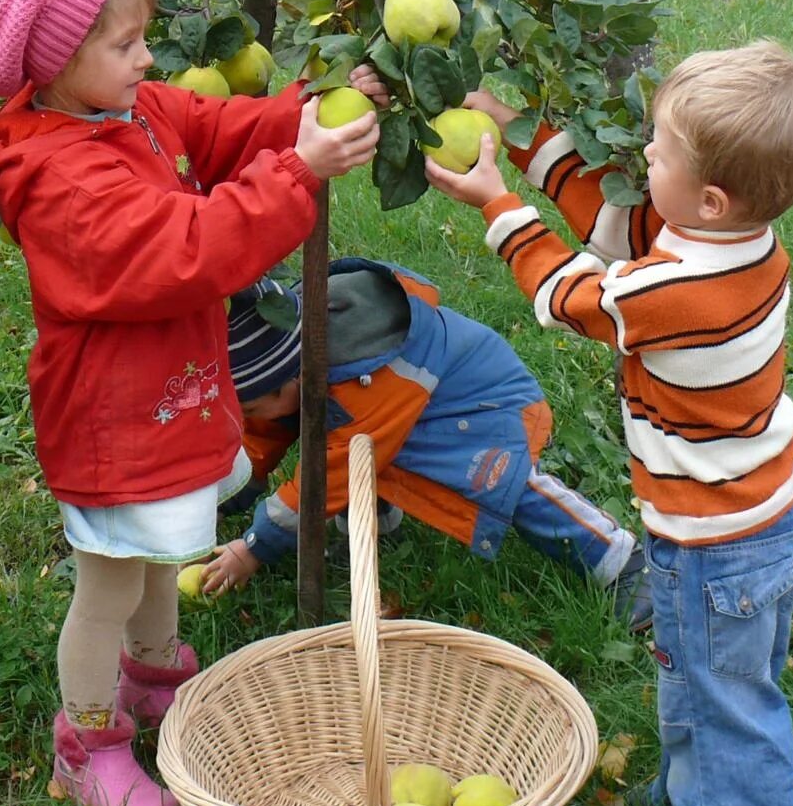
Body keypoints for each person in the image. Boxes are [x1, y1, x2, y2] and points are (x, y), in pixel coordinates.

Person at [0, 0, 379, 806]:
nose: (148, 59)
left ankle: (155, 673)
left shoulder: (125, 111)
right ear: (52, 60)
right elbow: (184, 249)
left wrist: (300, 110)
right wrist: (298, 175)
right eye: (125, 44)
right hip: (111, 418)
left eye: (143, 39)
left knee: (159, 552)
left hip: (168, 398)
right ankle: (86, 736)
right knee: (110, 583)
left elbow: (214, 127)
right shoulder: (58, 174)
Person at [427, 46, 793, 806]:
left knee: (734, 711)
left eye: (655, 150)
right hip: (761, 513)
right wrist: (521, 131)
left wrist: (499, 206)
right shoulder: (730, 244)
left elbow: (569, 292)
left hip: (714, 542)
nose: (638, 159)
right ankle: (690, 797)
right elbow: (618, 224)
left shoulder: (681, 288)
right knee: (707, 675)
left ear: (711, 200)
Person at [198, 260, 648, 628]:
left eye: (251, 407)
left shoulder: (367, 381)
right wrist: (235, 490)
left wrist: (254, 546)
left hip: (486, 411)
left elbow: (328, 475)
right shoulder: (296, 368)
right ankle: (373, 533)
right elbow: (268, 431)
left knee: (506, 485)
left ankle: (618, 559)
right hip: (417, 412)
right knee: (363, 447)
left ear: (288, 380)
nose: (248, 418)